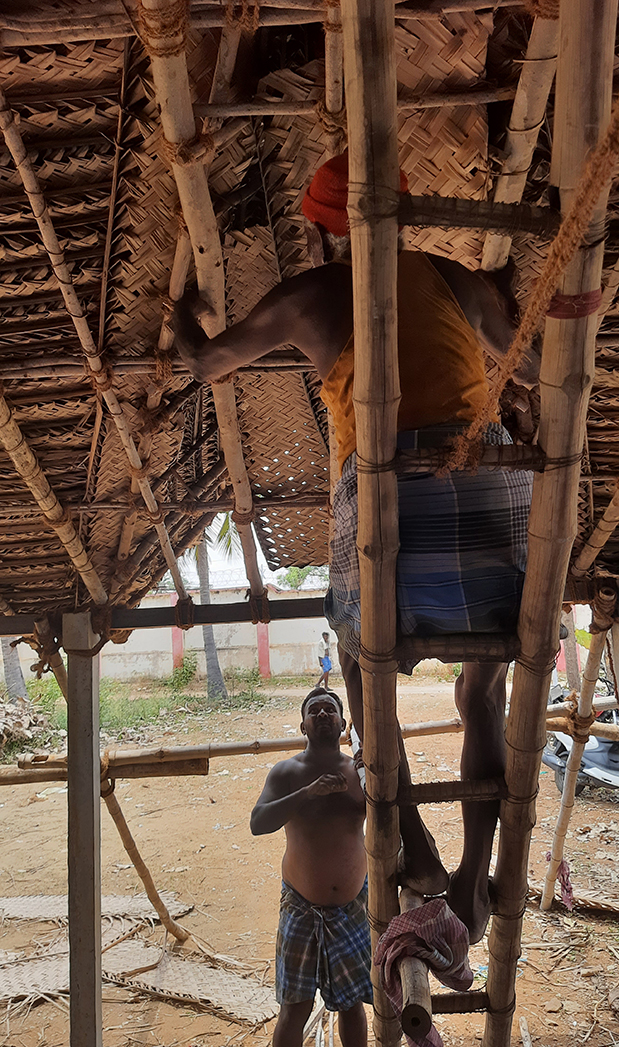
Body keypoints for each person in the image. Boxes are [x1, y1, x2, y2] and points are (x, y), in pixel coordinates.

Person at [173, 151, 539, 942]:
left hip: (389, 508)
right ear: (401, 220)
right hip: (487, 495)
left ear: (318, 232)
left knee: (361, 674)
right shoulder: (448, 275)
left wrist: (176, 316)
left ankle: (416, 844)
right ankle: (476, 883)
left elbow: (207, 363)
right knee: (481, 697)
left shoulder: (311, 292)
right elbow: (534, 364)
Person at [250, 687, 371, 1047]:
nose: (322, 714)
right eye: (314, 710)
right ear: (303, 725)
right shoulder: (286, 772)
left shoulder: (360, 770)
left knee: (353, 1006)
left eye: (330, 709)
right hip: (301, 908)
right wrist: (307, 793)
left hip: (353, 908)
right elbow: (258, 822)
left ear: (341, 724)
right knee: (295, 1008)